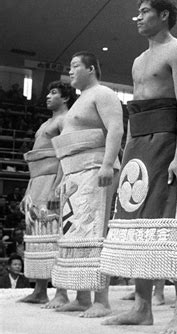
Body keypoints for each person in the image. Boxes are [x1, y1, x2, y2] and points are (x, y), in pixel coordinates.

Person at [100, 0, 177, 334]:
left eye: (143, 12)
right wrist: (126, 152)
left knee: (173, 223)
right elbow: (134, 110)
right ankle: (142, 308)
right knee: (136, 225)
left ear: (164, 15)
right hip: (137, 143)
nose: (137, 18)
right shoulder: (139, 59)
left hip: (166, 139)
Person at [51, 51, 123, 318]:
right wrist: (63, 177)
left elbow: (115, 129)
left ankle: (101, 300)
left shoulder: (103, 93)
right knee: (76, 232)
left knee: (95, 230)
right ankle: (82, 296)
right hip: (74, 173)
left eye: (75, 66)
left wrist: (107, 164)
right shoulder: (81, 101)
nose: (70, 71)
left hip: (96, 169)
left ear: (91, 69)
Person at [19, 81, 77, 307]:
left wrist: (58, 184)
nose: (48, 96)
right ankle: (40, 290)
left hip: (53, 179)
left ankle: (61, 292)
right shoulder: (46, 123)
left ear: (65, 98)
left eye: (53, 93)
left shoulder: (66, 120)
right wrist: (27, 191)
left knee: (55, 234)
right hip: (37, 181)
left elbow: (65, 155)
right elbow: (35, 163)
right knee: (36, 236)